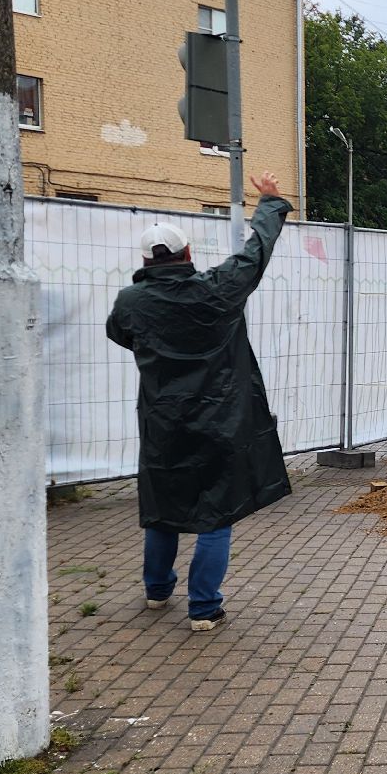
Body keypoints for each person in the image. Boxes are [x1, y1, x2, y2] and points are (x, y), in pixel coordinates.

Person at [105, 173, 293, 632]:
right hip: (219, 420)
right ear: (188, 254)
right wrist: (268, 202)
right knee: (215, 514)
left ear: (147, 260)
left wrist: (158, 354)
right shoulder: (217, 290)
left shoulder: (132, 301)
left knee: (162, 504)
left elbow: (119, 333)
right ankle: (204, 608)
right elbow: (255, 253)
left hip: (162, 421)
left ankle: (156, 591)